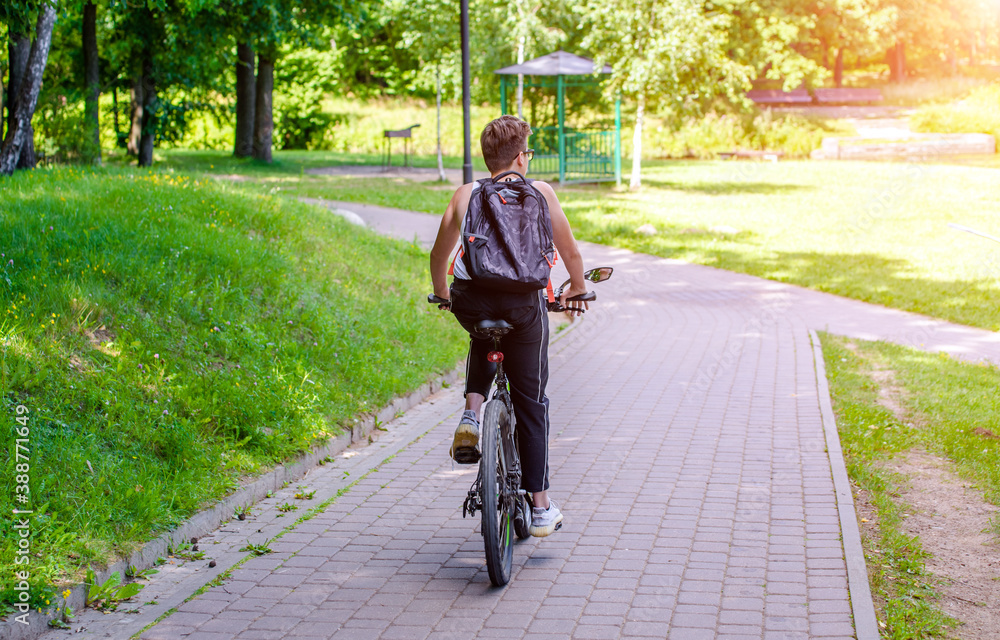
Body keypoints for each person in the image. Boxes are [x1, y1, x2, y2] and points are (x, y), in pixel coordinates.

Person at [429, 115, 590, 537]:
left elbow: (437, 255)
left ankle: (471, 412)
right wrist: (575, 288)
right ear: (521, 157)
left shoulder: (465, 195)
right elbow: (570, 253)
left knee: (482, 331)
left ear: (488, 158)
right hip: (524, 306)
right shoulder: (540, 192)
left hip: (472, 301)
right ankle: (540, 508)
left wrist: (443, 294)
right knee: (532, 404)